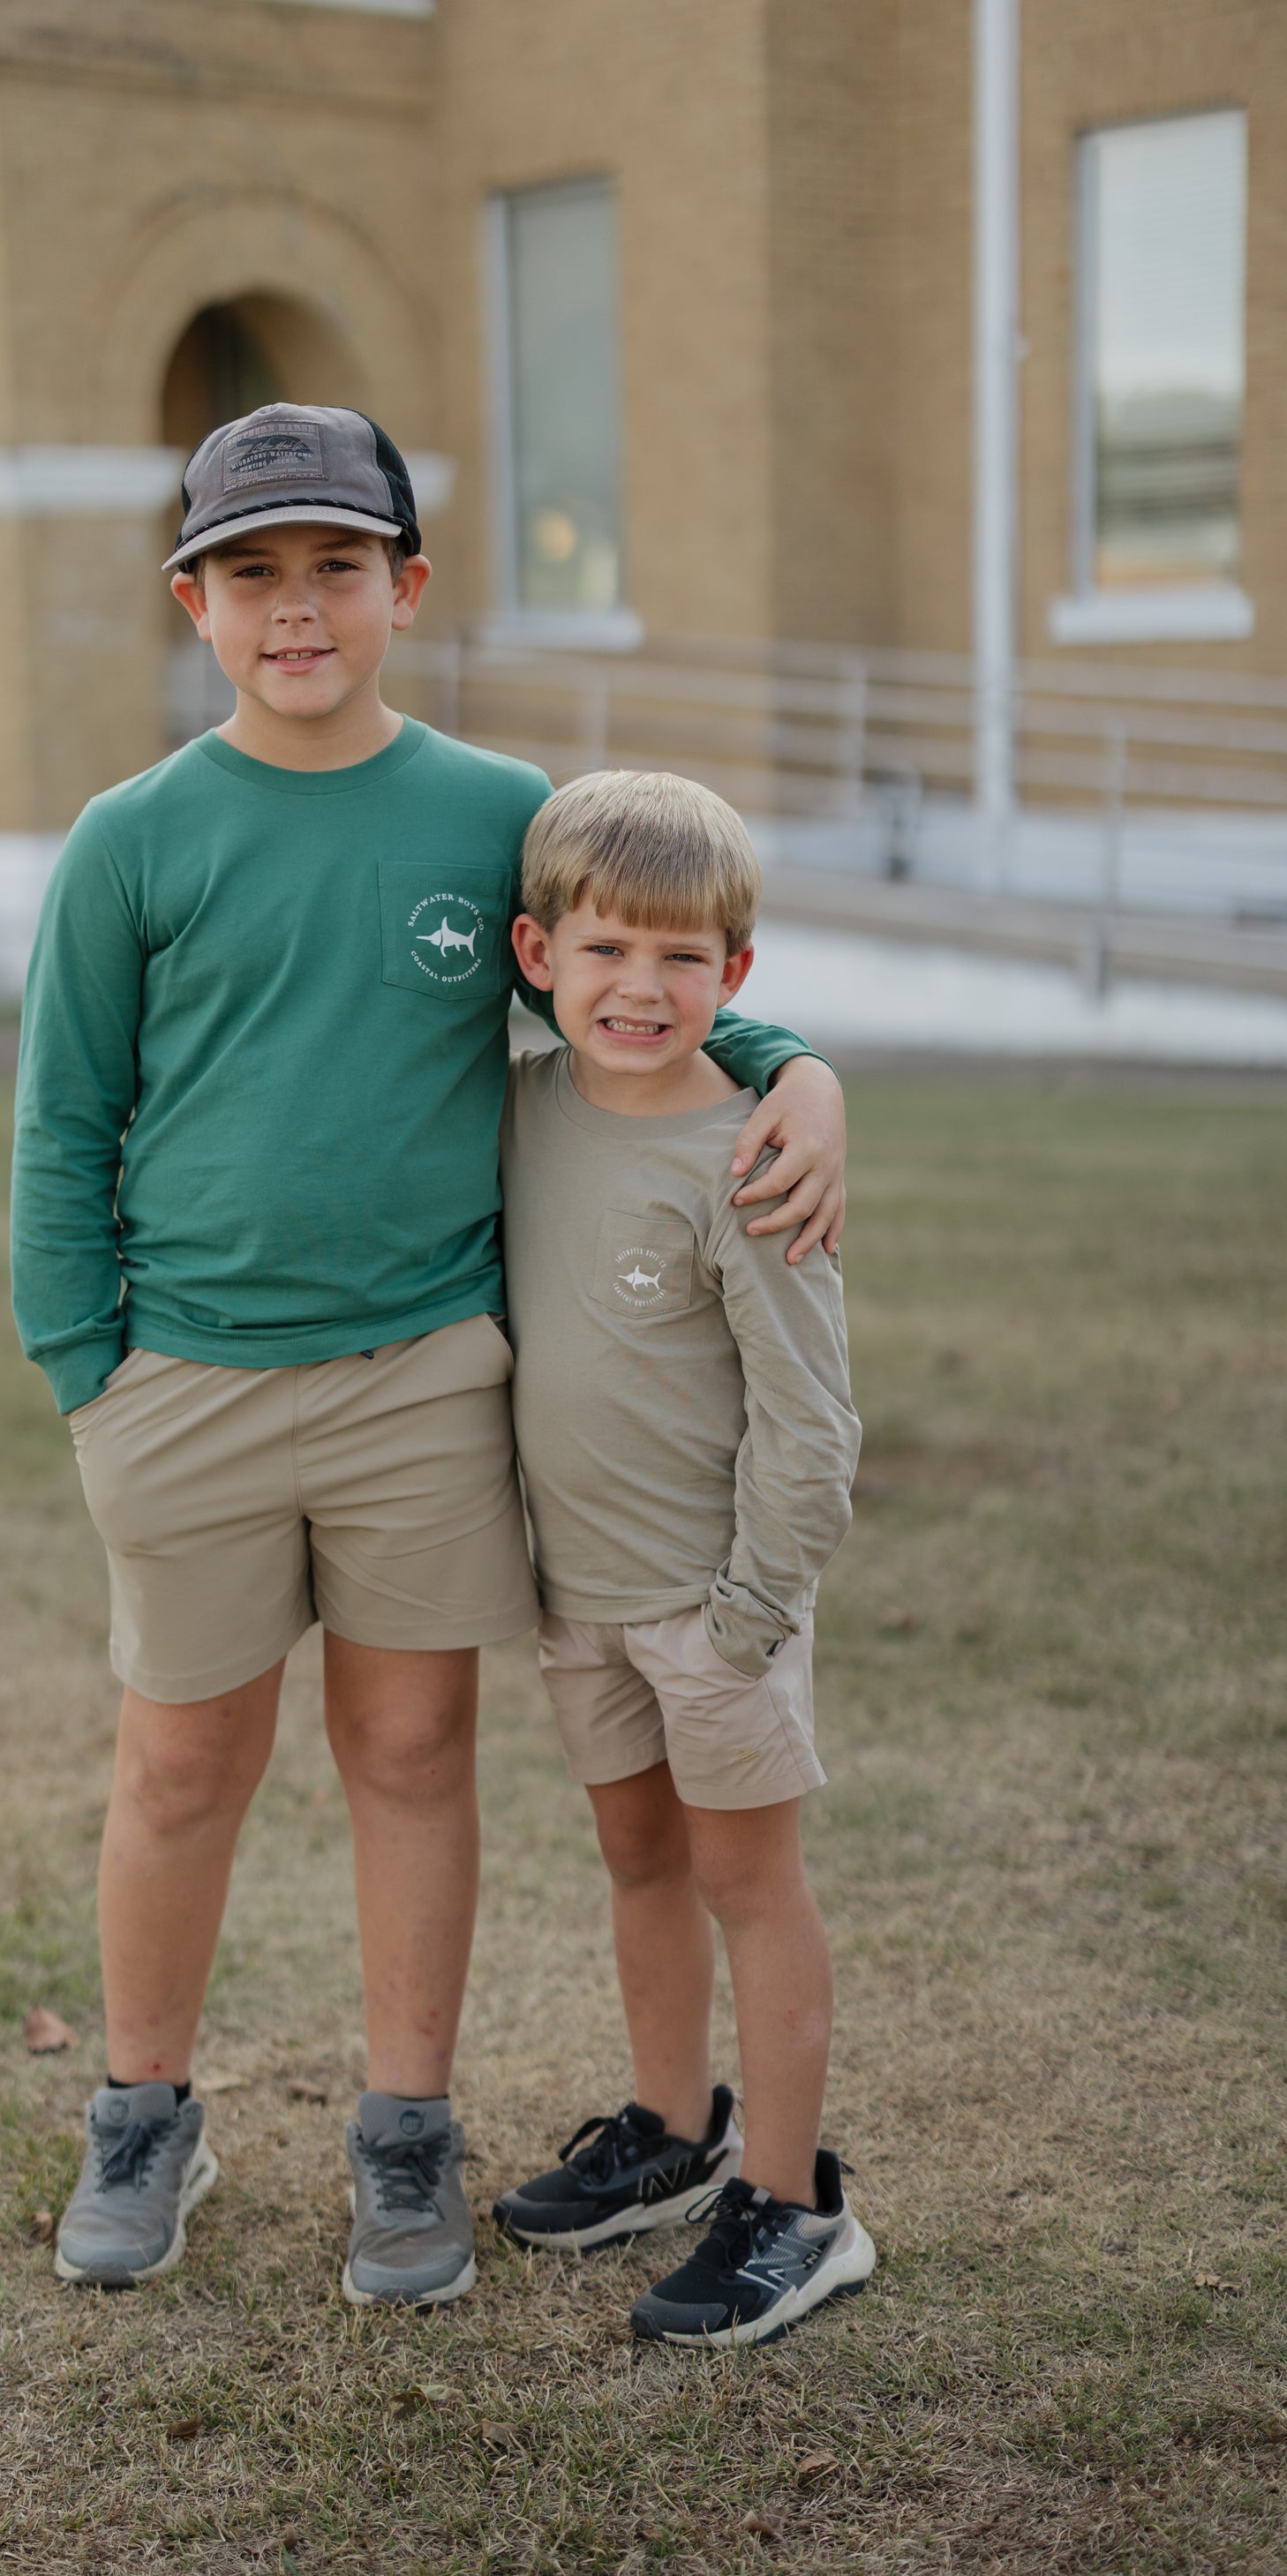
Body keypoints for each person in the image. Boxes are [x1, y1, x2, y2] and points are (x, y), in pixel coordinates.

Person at [10, 403, 849, 2305]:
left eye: (331, 567)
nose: (293, 608)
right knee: (174, 1766)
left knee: (408, 1748)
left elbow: (641, 972)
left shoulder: (496, 814)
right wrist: (90, 1365)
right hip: (185, 1379)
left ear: (404, 583)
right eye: (249, 575)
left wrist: (791, 1061)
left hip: (419, 1377)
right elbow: (64, 1123)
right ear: (195, 604)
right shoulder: (131, 840)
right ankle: (144, 2110)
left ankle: (406, 2127)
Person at [493, 768, 875, 2348]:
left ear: (733, 978)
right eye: (602, 953)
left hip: (714, 1614)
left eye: (678, 959)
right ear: (535, 955)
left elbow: (809, 1420)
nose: (637, 988)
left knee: (745, 1880)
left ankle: (794, 2205)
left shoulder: (750, 1158)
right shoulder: (517, 1110)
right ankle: (671, 2129)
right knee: (637, 1863)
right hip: (575, 1605)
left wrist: (750, 1614)